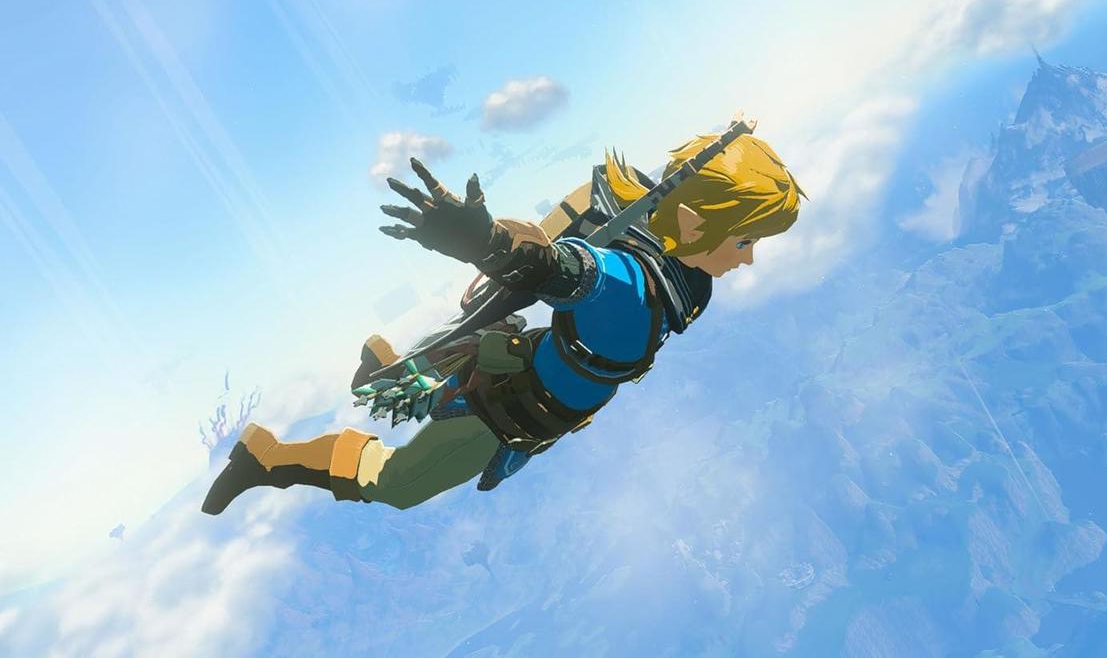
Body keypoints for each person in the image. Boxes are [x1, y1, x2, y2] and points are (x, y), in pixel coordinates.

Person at [202, 127, 804, 516]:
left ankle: (390, 363)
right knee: (397, 485)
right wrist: (489, 244)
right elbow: (566, 269)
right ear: (694, 222)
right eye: (745, 240)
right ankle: (267, 457)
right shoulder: (632, 287)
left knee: (430, 396)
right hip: (509, 405)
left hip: (528, 367)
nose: (748, 258)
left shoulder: (684, 272)